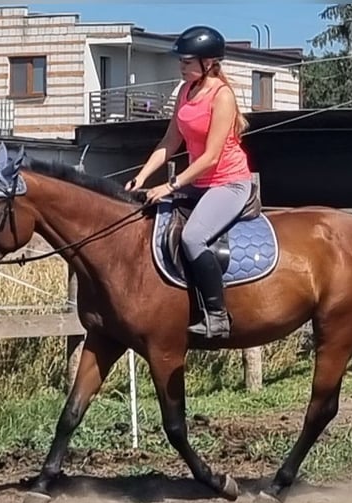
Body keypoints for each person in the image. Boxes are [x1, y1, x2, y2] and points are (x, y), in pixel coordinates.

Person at [125, 25, 253, 339]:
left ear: (208, 63)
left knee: (193, 238)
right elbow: (170, 141)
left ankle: (218, 316)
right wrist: (141, 176)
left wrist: (170, 185)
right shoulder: (185, 91)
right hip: (200, 183)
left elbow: (210, 157)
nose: (181, 66)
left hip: (229, 183)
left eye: (186, 62)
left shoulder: (222, 97)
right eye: (181, 61)